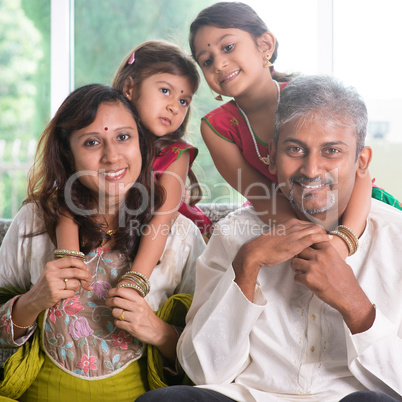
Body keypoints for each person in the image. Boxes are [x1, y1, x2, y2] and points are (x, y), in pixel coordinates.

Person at [136, 76, 402, 401]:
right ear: (273, 155)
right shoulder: (236, 233)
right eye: (295, 149)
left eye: (332, 151)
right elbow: (202, 371)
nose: (312, 168)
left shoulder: (394, 237)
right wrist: (247, 267)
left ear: (361, 160)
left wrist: (355, 305)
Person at [0, 84, 205, 401]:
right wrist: (31, 302)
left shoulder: (180, 235)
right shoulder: (33, 221)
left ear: (142, 144)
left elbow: (213, 356)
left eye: (123, 137)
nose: (112, 156)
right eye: (92, 142)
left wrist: (159, 331)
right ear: (68, 154)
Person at [188, 1, 402, 259]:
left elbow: (360, 173)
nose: (219, 64)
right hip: (281, 217)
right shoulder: (217, 127)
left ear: (265, 45)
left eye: (229, 47)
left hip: (351, 209)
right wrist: (311, 241)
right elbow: (261, 195)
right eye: (207, 61)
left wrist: (342, 242)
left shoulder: (311, 98)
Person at [56, 41, 213, 298]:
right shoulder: (101, 147)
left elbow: (162, 219)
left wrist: (136, 279)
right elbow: (66, 198)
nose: (175, 106)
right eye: (165, 90)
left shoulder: (176, 154)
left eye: (184, 100)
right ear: (129, 87)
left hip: (161, 236)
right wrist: (70, 261)